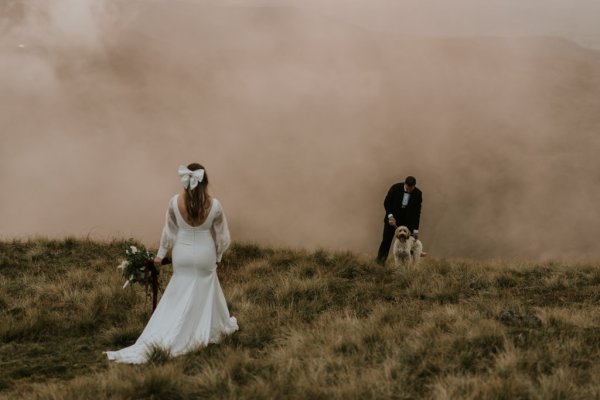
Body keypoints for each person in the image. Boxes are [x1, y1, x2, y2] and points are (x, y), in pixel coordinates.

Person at [105, 163, 238, 363]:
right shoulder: (215, 205)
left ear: (186, 182)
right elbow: (223, 237)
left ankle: (172, 327)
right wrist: (218, 256)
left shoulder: (175, 202)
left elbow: (169, 232)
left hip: (182, 255)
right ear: (205, 181)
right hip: (204, 255)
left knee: (179, 292)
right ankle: (201, 327)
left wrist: (160, 256)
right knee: (205, 288)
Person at [376, 175, 422, 265]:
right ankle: (379, 263)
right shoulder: (395, 187)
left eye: (411, 188)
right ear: (405, 184)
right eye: (407, 188)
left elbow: (417, 213)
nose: (409, 190)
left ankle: (406, 267)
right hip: (392, 220)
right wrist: (390, 216)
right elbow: (386, 203)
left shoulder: (418, 193)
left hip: (407, 223)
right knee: (386, 241)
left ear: (414, 186)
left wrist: (415, 230)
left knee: (408, 243)